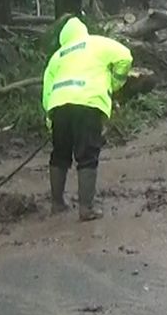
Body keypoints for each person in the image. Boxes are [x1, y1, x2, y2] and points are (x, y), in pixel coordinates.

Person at [42, 16, 133, 221]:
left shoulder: (57, 56)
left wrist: (49, 118)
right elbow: (125, 57)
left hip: (59, 106)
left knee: (60, 154)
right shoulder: (96, 43)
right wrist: (115, 82)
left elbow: (47, 90)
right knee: (87, 154)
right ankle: (86, 208)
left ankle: (57, 203)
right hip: (88, 103)